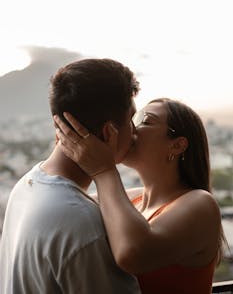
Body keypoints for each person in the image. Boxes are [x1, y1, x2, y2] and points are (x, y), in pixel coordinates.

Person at [54, 97, 224, 294]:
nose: (131, 128)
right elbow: (65, 207)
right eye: (133, 119)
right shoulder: (130, 200)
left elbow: (132, 254)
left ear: (177, 145)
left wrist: (104, 171)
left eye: (146, 121)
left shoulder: (201, 203)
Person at [0, 58, 142, 294]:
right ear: (109, 133)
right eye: (131, 120)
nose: (136, 132)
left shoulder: (26, 186)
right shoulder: (82, 222)